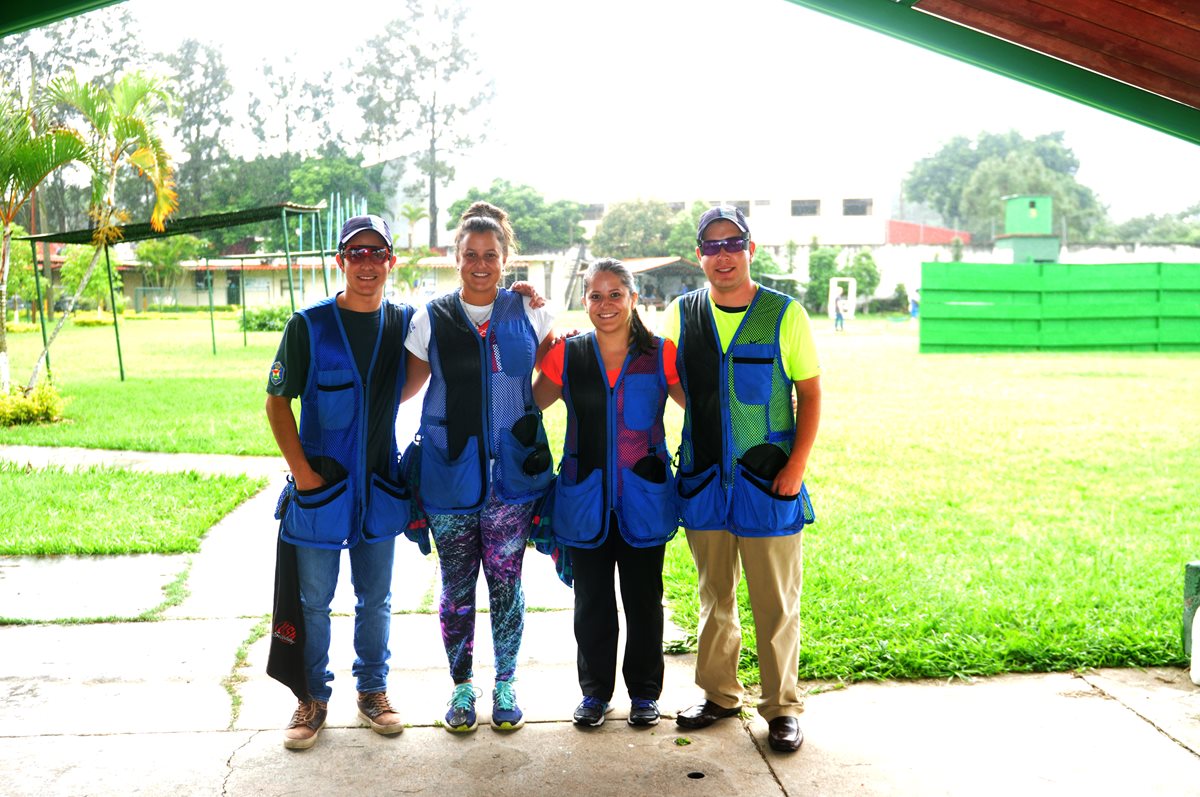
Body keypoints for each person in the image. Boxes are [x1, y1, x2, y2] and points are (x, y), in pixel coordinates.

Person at [664, 205, 821, 753]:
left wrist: (796, 466)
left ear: (750, 249)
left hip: (767, 481)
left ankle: (781, 707)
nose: (723, 254)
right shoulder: (682, 314)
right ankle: (719, 694)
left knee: (776, 602)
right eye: (711, 246)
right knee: (715, 597)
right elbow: (670, 380)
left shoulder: (784, 313)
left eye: (733, 243)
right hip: (705, 479)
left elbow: (812, 393)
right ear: (700, 255)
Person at [403, 201, 555, 733]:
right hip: (447, 476)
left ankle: (507, 684)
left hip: (513, 479)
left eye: (491, 255)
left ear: (506, 257)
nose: (481, 263)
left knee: (507, 585)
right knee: (456, 587)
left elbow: (557, 376)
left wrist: (524, 419)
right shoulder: (430, 318)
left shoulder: (532, 313)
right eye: (471, 254)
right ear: (456, 257)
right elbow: (405, 389)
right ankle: (462, 689)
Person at [265, 214, 413, 750]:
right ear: (340, 262)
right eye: (357, 253)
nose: (368, 263)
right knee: (313, 602)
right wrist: (303, 475)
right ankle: (312, 697)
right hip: (319, 489)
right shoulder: (308, 325)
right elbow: (276, 402)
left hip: (379, 487)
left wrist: (519, 298)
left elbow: (442, 345)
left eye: (378, 254)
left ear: (390, 262)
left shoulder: (402, 323)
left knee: (376, 598)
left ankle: (373, 689)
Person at [533, 258, 686, 729]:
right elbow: (527, 405)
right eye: (595, 296)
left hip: (645, 499)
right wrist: (537, 337)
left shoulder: (661, 353)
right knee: (592, 605)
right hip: (585, 499)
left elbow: (700, 408)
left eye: (615, 294)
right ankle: (595, 694)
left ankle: (644, 694)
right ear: (585, 302)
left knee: (644, 600)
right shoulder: (568, 354)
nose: (605, 304)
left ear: (634, 298)